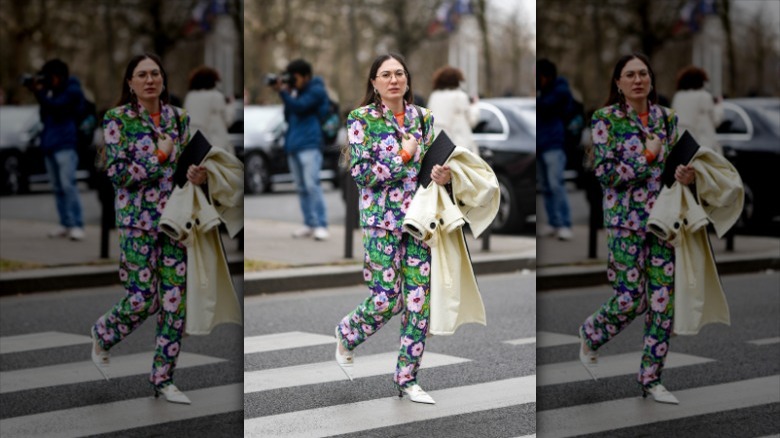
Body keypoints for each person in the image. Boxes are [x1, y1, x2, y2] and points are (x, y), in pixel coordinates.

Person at [90, 53, 208, 405]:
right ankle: (103, 333)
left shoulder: (179, 118)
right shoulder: (117, 120)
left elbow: (188, 167)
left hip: (175, 221)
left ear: (163, 79)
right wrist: (158, 157)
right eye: (141, 75)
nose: (149, 80)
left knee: (175, 304)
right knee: (144, 300)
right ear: (130, 83)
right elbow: (119, 175)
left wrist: (197, 175)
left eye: (155, 73)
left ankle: (163, 379)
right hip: (137, 223)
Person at [578, 52, 696, 405]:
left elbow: (678, 166)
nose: (638, 80)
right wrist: (646, 158)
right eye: (629, 74)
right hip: (625, 223)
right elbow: (606, 174)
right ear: (618, 83)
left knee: (663, 303)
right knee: (632, 299)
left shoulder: (668, 118)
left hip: (664, 221)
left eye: (643, 73)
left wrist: (685, 176)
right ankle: (591, 333)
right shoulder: (605, 120)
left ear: (651, 80)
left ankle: (651, 379)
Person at [334, 53, 448, 405]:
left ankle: (407, 379)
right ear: (374, 83)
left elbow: (433, 167)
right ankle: (347, 334)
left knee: (419, 303)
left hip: (419, 222)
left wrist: (443, 175)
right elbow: (362, 174)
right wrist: (403, 156)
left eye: (399, 73)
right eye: (386, 74)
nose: (394, 79)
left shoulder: (424, 119)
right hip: (380, 222)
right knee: (387, 300)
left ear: (408, 80)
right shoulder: (360, 120)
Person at [24, 59, 86, 240]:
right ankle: (65, 224)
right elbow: (45, 113)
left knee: (68, 185)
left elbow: (57, 107)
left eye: (50, 76)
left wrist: (40, 92)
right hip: (50, 143)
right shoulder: (50, 92)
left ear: (59, 76)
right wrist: (39, 92)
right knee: (57, 187)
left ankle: (77, 225)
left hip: (66, 144)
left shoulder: (72, 90)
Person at [271, 59, 329, 241]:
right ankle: (309, 223)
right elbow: (289, 115)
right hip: (294, 144)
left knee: (312, 185)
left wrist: (284, 93)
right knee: (301, 187)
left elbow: (301, 107)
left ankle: (321, 225)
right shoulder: (294, 92)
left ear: (306, 76)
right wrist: (287, 92)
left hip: (310, 144)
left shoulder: (316, 90)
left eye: (294, 77)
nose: (291, 80)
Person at [536, 59, 574, 240]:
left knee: (556, 185)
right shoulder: (544, 91)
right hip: (541, 144)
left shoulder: (559, 90)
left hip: (554, 144)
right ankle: (553, 222)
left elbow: (545, 107)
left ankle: (564, 224)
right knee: (545, 187)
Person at [426, 65, 480, 154]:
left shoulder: (434, 96)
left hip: (437, 145)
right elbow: (472, 121)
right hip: (458, 145)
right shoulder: (460, 96)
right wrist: (475, 106)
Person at [671, 66, 724, 155]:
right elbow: (716, 120)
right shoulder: (704, 96)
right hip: (702, 146)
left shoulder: (678, 96)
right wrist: (719, 106)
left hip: (681, 145)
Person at [184, 65, 235, 154]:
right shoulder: (216, 96)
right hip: (215, 144)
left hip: (193, 143)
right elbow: (227, 120)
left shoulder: (190, 96)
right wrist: (231, 106)